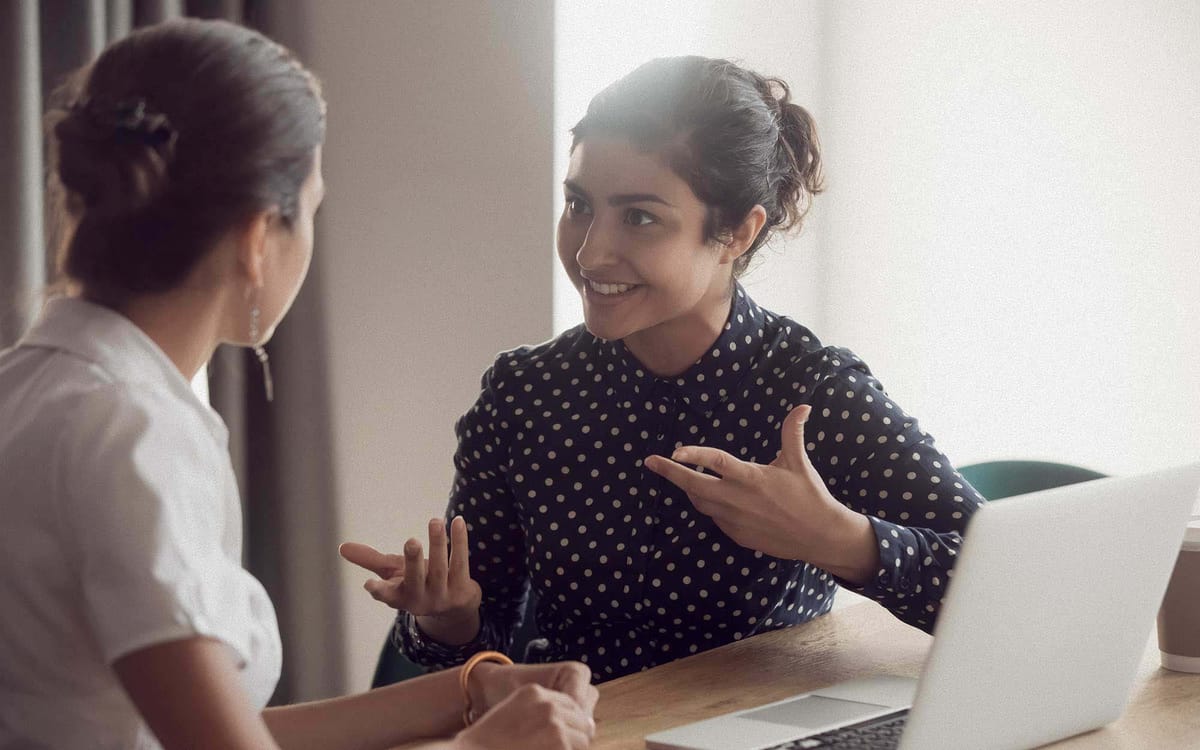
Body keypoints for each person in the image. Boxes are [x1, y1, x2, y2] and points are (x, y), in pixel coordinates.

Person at [0, 19, 596, 750]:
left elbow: (198, 733)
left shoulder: (30, 384)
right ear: (257, 240)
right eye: (311, 209)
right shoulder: (132, 434)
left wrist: (468, 690)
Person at [342, 56, 986, 683]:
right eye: (579, 205)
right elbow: (480, 650)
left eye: (641, 217)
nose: (591, 251)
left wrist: (839, 539)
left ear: (736, 232)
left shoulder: (813, 394)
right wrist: (450, 620)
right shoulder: (525, 394)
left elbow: (1002, 591)